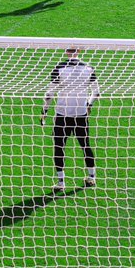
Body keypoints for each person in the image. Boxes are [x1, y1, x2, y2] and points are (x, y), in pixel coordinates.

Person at [41, 48, 99, 190]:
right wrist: (89, 104)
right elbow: (96, 92)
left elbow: (49, 93)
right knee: (85, 145)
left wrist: (44, 111)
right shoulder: (89, 68)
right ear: (78, 52)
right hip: (81, 113)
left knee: (59, 146)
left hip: (62, 114)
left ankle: (61, 183)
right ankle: (92, 177)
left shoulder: (60, 68)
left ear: (67, 52)